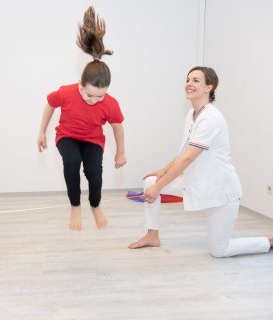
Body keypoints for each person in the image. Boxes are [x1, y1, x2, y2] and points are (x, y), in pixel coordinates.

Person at [128, 66, 273, 257]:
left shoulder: (210, 118)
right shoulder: (192, 114)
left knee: (220, 250)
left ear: (208, 88)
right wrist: (162, 172)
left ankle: (268, 241)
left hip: (221, 193)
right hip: (199, 183)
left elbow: (188, 158)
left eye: (196, 80)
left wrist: (158, 188)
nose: (189, 83)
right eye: (188, 79)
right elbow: (183, 152)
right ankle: (152, 235)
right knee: (151, 182)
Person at [37, 7, 126, 230]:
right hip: (67, 137)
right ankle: (75, 206)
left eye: (100, 96)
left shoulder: (110, 103)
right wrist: (41, 132)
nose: (94, 100)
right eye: (89, 94)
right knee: (72, 161)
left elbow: (117, 126)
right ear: (80, 85)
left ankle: (95, 205)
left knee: (94, 172)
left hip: (93, 140)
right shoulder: (66, 92)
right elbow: (50, 104)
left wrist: (121, 151)